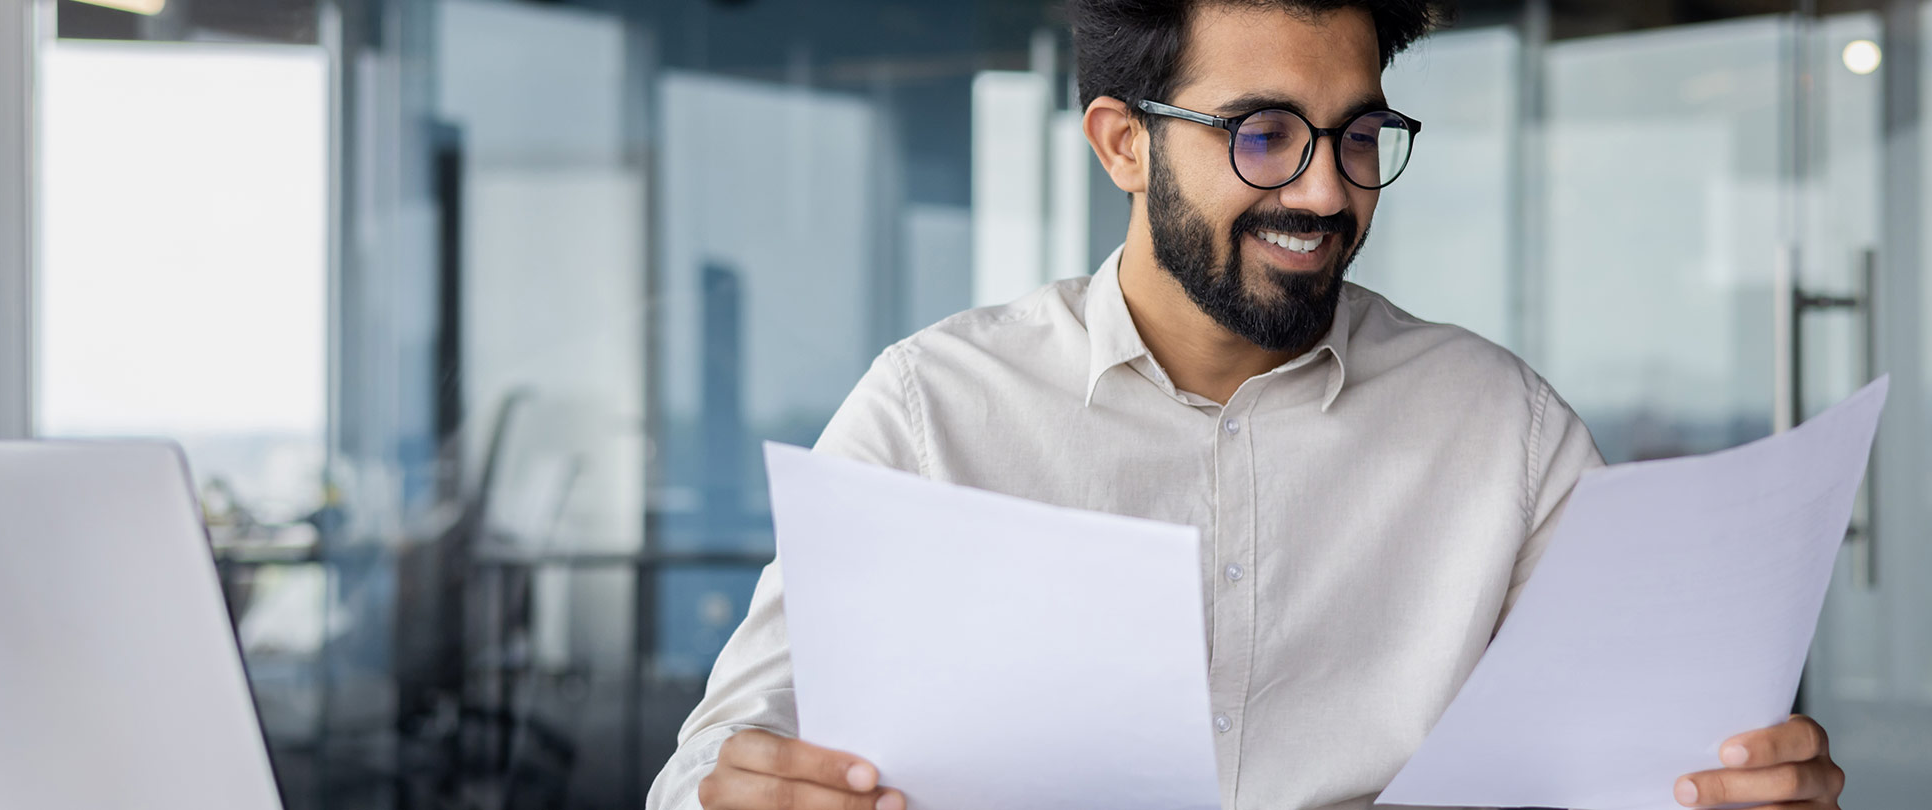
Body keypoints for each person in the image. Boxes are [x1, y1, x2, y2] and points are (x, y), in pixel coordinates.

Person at [648, 1, 1848, 808]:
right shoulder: (931, 410)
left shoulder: (1506, 431)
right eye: (1263, 135)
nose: (1326, 190)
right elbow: (712, 760)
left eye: (1360, 132)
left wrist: (1734, 783)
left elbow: (1622, 768)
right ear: (1123, 145)